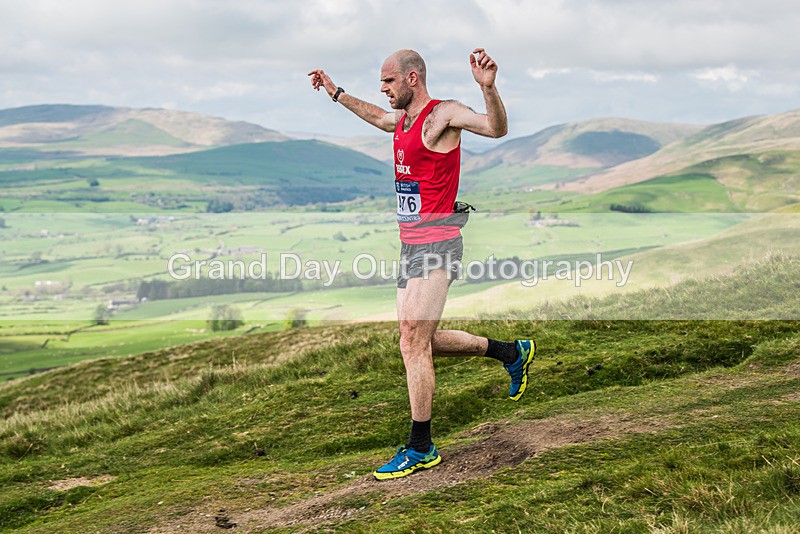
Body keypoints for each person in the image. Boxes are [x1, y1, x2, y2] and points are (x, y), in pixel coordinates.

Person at [309, 48, 535, 480]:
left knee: (413, 340)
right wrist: (336, 93)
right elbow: (377, 116)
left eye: (388, 81)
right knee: (417, 339)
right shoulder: (404, 121)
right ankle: (511, 352)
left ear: (412, 78)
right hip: (410, 246)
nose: (383, 89)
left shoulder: (443, 114)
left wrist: (488, 89)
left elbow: (495, 129)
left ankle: (421, 446)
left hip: (440, 242)